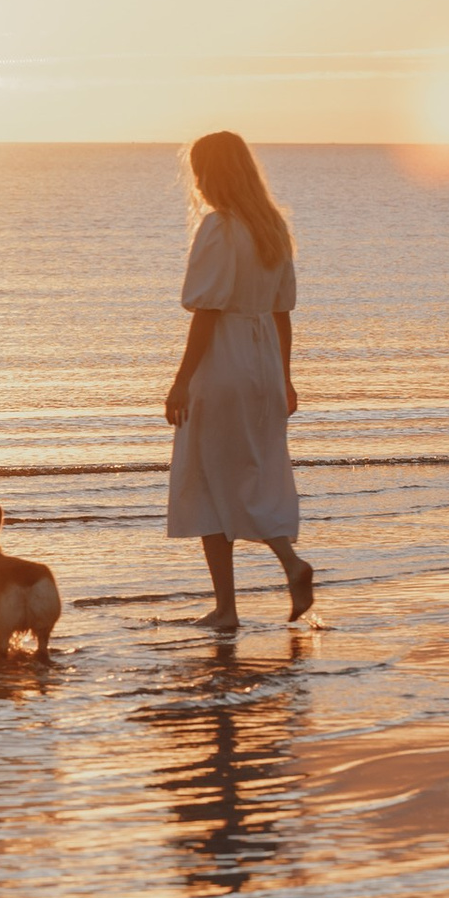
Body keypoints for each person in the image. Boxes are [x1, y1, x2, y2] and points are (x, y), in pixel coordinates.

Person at [164, 132, 317, 631]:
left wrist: (181, 381)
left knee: (210, 479)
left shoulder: (220, 228)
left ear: (214, 175)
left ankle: (234, 605)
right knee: (251, 474)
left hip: (224, 364)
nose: (199, 184)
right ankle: (265, 578)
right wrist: (286, 380)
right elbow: (283, 313)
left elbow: (207, 313)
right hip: (264, 366)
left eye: (201, 173)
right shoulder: (271, 227)